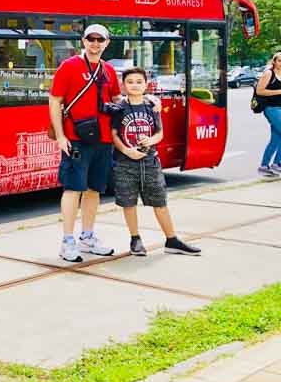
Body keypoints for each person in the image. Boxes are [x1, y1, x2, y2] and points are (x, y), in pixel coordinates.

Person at [108, 67, 201, 256]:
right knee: (128, 203)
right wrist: (126, 150)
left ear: (146, 84)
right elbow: (114, 134)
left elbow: (160, 133)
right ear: (123, 85)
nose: (134, 85)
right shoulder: (118, 108)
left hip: (150, 162)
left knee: (160, 201)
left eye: (139, 82)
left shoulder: (152, 106)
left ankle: (172, 239)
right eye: (130, 82)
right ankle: (135, 239)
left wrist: (151, 141)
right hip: (126, 163)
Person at [48, 24, 120, 262]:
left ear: (107, 43)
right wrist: (60, 136)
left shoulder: (109, 70)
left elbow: (116, 100)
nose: (95, 43)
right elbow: (55, 101)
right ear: (83, 41)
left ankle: (87, 237)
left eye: (101, 39)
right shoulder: (69, 67)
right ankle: (67, 241)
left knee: (94, 190)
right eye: (91, 38)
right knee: (72, 189)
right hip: (76, 139)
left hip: (103, 140)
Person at [256, 51, 281, 177]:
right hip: (271, 108)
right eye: (279, 60)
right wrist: (278, 91)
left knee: (276, 138)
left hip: (280, 109)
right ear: (274, 61)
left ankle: (264, 166)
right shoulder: (269, 73)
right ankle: (277, 164)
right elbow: (260, 91)